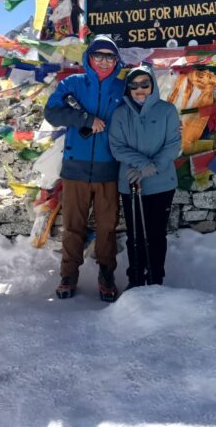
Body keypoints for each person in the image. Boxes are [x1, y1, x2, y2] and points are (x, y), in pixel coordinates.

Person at [44, 35, 124, 301]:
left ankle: (106, 274)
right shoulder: (72, 84)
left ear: (116, 60)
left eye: (109, 56)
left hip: (108, 169)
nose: (103, 61)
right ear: (89, 57)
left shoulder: (122, 89)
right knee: (73, 225)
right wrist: (85, 118)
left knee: (107, 227)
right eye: (98, 55)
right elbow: (52, 113)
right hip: (75, 168)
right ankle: (68, 275)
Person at [109, 66, 181, 288]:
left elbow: (173, 145)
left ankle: (156, 278)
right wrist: (142, 165)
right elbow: (117, 146)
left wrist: (153, 167)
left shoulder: (167, 110)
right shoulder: (121, 113)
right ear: (128, 88)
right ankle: (136, 278)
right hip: (131, 180)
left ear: (152, 86)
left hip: (161, 183)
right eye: (134, 85)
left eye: (144, 84)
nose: (139, 89)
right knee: (135, 235)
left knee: (157, 234)